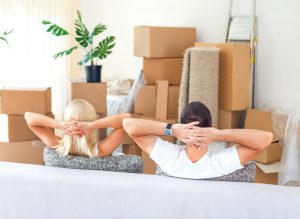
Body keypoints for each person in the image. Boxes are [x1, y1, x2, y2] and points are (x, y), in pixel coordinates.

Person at [122, 101, 273, 179]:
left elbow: (128, 124)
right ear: (211, 126)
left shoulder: (169, 159)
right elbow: (266, 138)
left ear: (182, 126)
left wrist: (172, 129)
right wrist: (218, 134)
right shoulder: (220, 164)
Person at [25, 99, 130, 158]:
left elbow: (28, 117)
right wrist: (92, 125)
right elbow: (127, 120)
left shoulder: (56, 145)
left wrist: (60, 125)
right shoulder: (101, 151)